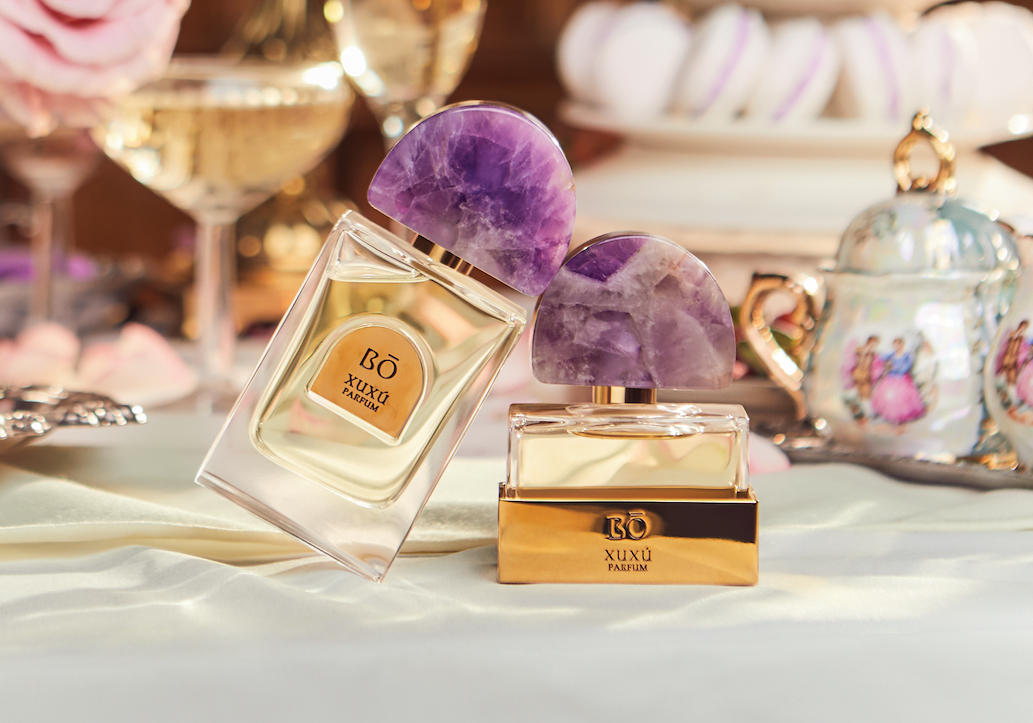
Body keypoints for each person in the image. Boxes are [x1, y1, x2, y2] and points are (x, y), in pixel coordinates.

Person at [871, 337, 926, 424]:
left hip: (902, 378)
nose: (897, 346)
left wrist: (896, 369)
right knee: (887, 393)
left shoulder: (907, 354)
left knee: (902, 395)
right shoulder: (892, 354)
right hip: (891, 377)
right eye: (895, 344)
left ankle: (902, 416)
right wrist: (875, 351)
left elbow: (907, 367)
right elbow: (881, 357)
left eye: (899, 344)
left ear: (902, 344)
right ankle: (890, 414)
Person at [1000, 320, 1029, 386]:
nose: (1022, 328)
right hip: (1009, 354)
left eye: (1023, 327)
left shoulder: (1022, 339)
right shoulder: (1013, 333)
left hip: (1012, 357)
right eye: (1021, 326)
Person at [852, 335, 879, 400]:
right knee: (859, 388)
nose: (873, 344)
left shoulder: (873, 352)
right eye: (872, 342)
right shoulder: (861, 349)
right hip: (859, 370)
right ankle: (860, 398)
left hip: (866, 372)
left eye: (875, 343)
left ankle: (865, 398)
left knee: (866, 390)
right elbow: (857, 353)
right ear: (869, 341)